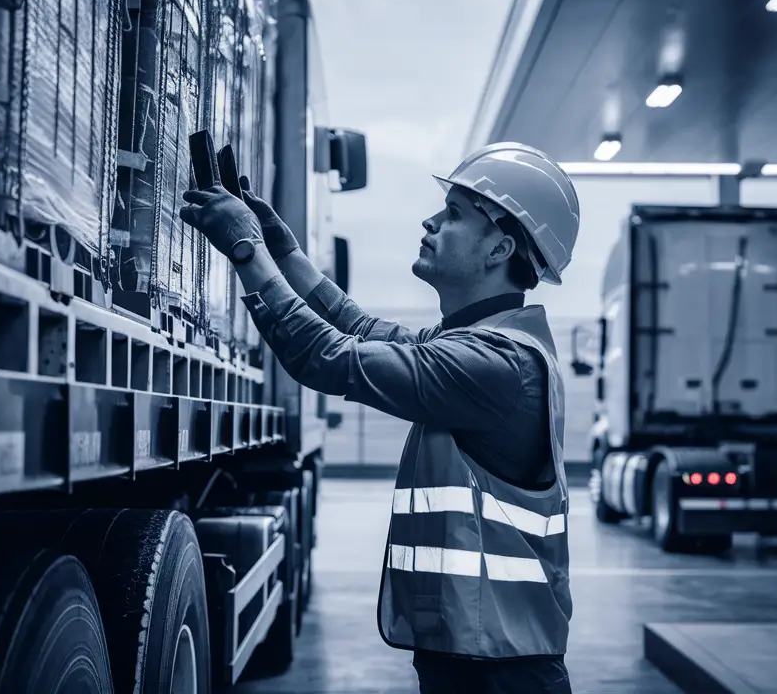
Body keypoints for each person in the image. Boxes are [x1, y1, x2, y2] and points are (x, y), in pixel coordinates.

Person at [179, 142, 580, 694]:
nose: (431, 221)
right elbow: (361, 330)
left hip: (501, 669)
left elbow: (326, 357)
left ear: (499, 248)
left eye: (455, 214)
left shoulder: (496, 364)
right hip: (484, 651)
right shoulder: (481, 344)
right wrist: (284, 252)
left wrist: (247, 251)